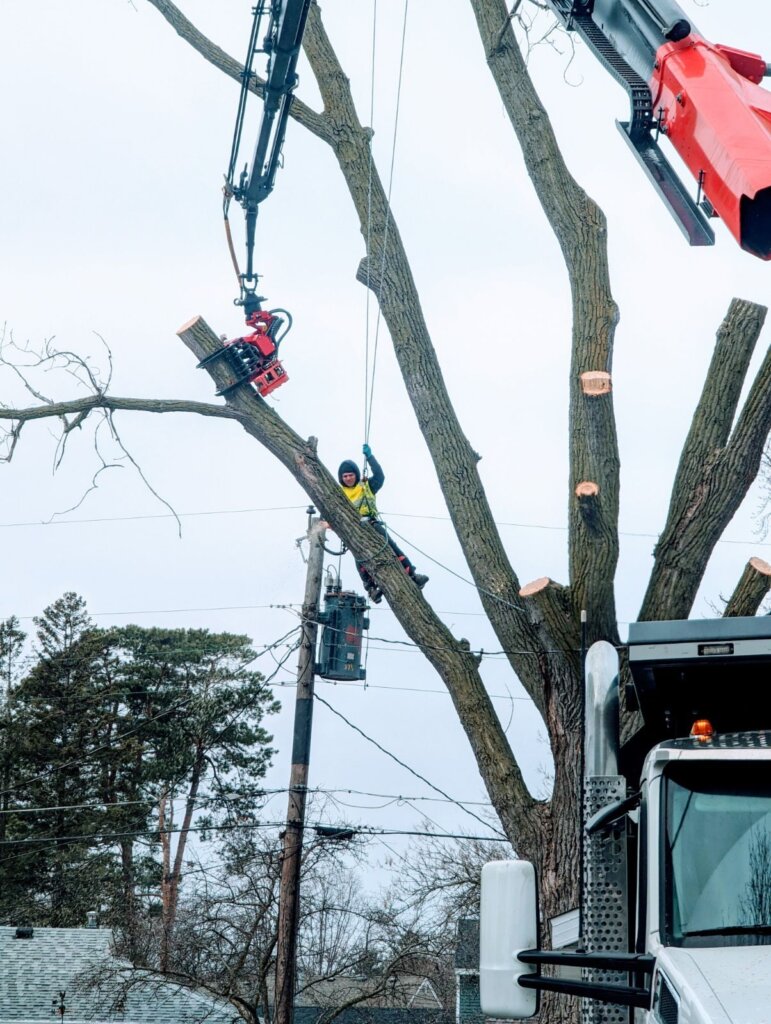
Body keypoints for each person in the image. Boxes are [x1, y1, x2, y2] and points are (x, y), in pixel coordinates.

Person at [338, 444, 428, 603]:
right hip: (353, 530)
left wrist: (370, 458)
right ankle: (371, 589)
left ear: (356, 475)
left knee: (392, 547)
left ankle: (412, 576)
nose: (348, 478)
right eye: (345, 476)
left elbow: (380, 476)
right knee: (360, 558)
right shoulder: (338, 493)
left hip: (371, 523)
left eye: (350, 475)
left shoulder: (366, 486)